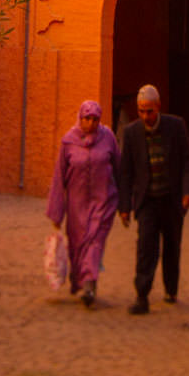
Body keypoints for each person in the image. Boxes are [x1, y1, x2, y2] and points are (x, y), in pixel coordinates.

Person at [116, 83, 189, 315]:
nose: (145, 116)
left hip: (171, 199)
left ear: (158, 107)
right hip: (147, 200)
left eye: (149, 111)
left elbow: (188, 160)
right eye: (141, 111)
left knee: (171, 246)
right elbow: (126, 172)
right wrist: (124, 205)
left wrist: (187, 190)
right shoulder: (131, 133)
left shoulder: (176, 127)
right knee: (145, 248)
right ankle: (142, 295)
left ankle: (171, 289)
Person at [45, 99, 118, 308]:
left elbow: (119, 167)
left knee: (95, 240)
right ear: (80, 118)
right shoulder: (68, 141)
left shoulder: (108, 138)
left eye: (95, 119)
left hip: (103, 200)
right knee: (77, 244)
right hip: (76, 205)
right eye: (87, 118)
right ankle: (80, 280)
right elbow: (59, 178)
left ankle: (89, 283)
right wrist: (56, 213)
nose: (91, 123)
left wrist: (125, 203)